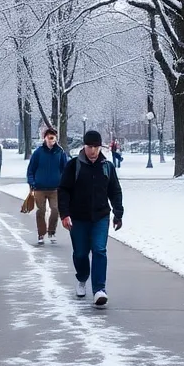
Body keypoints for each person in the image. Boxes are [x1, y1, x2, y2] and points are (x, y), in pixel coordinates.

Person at [58, 130, 123, 307]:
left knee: (99, 250)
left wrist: (118, 213)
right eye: (89, 147)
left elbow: (115, 191)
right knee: (80, 253)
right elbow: (63, 190)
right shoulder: (74, 166)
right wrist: (64, 214)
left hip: (101, 216)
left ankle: (99, 289)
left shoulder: (107, 166)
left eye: (96, 147)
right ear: (84, 146)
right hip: (78, 217)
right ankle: (81, 278)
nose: (93, 151)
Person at [26, 127, 69, 245]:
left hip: (55, 188)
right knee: (41, 211)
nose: (51, 140)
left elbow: (65, 169)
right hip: (39, 187)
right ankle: (41, 233)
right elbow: (31, 169)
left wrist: (64, 183)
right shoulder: (38, 153)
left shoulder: (60, 152)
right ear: (45, 138)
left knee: (55, 210)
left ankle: (51, 231)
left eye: (53, 137)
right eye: (49, 137)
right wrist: (32, 182)